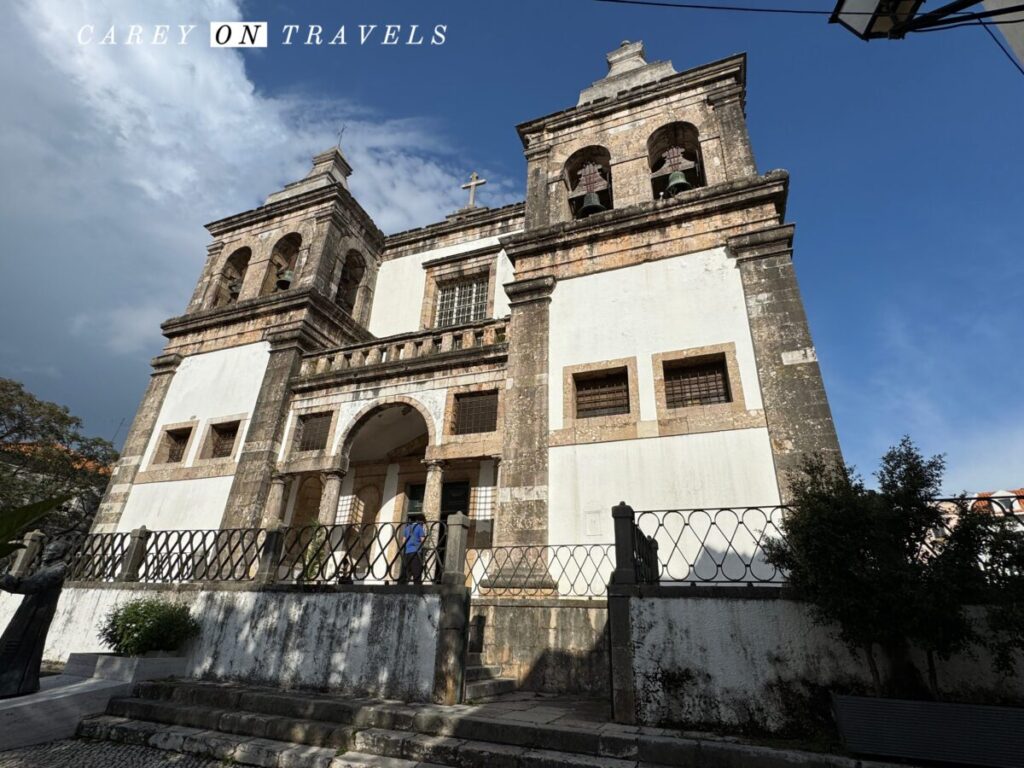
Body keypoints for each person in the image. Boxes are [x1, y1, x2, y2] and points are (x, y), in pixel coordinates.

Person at [399, 512, 427, 584]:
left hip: (407, 552)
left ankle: (401, 587)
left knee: (406, 571)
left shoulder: (407, 528)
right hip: (416, 552)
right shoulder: (419, 528)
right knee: (416, 572)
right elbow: (422, 540)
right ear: (421, 521)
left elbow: (404, 541)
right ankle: (417, 590)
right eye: (423, 522)